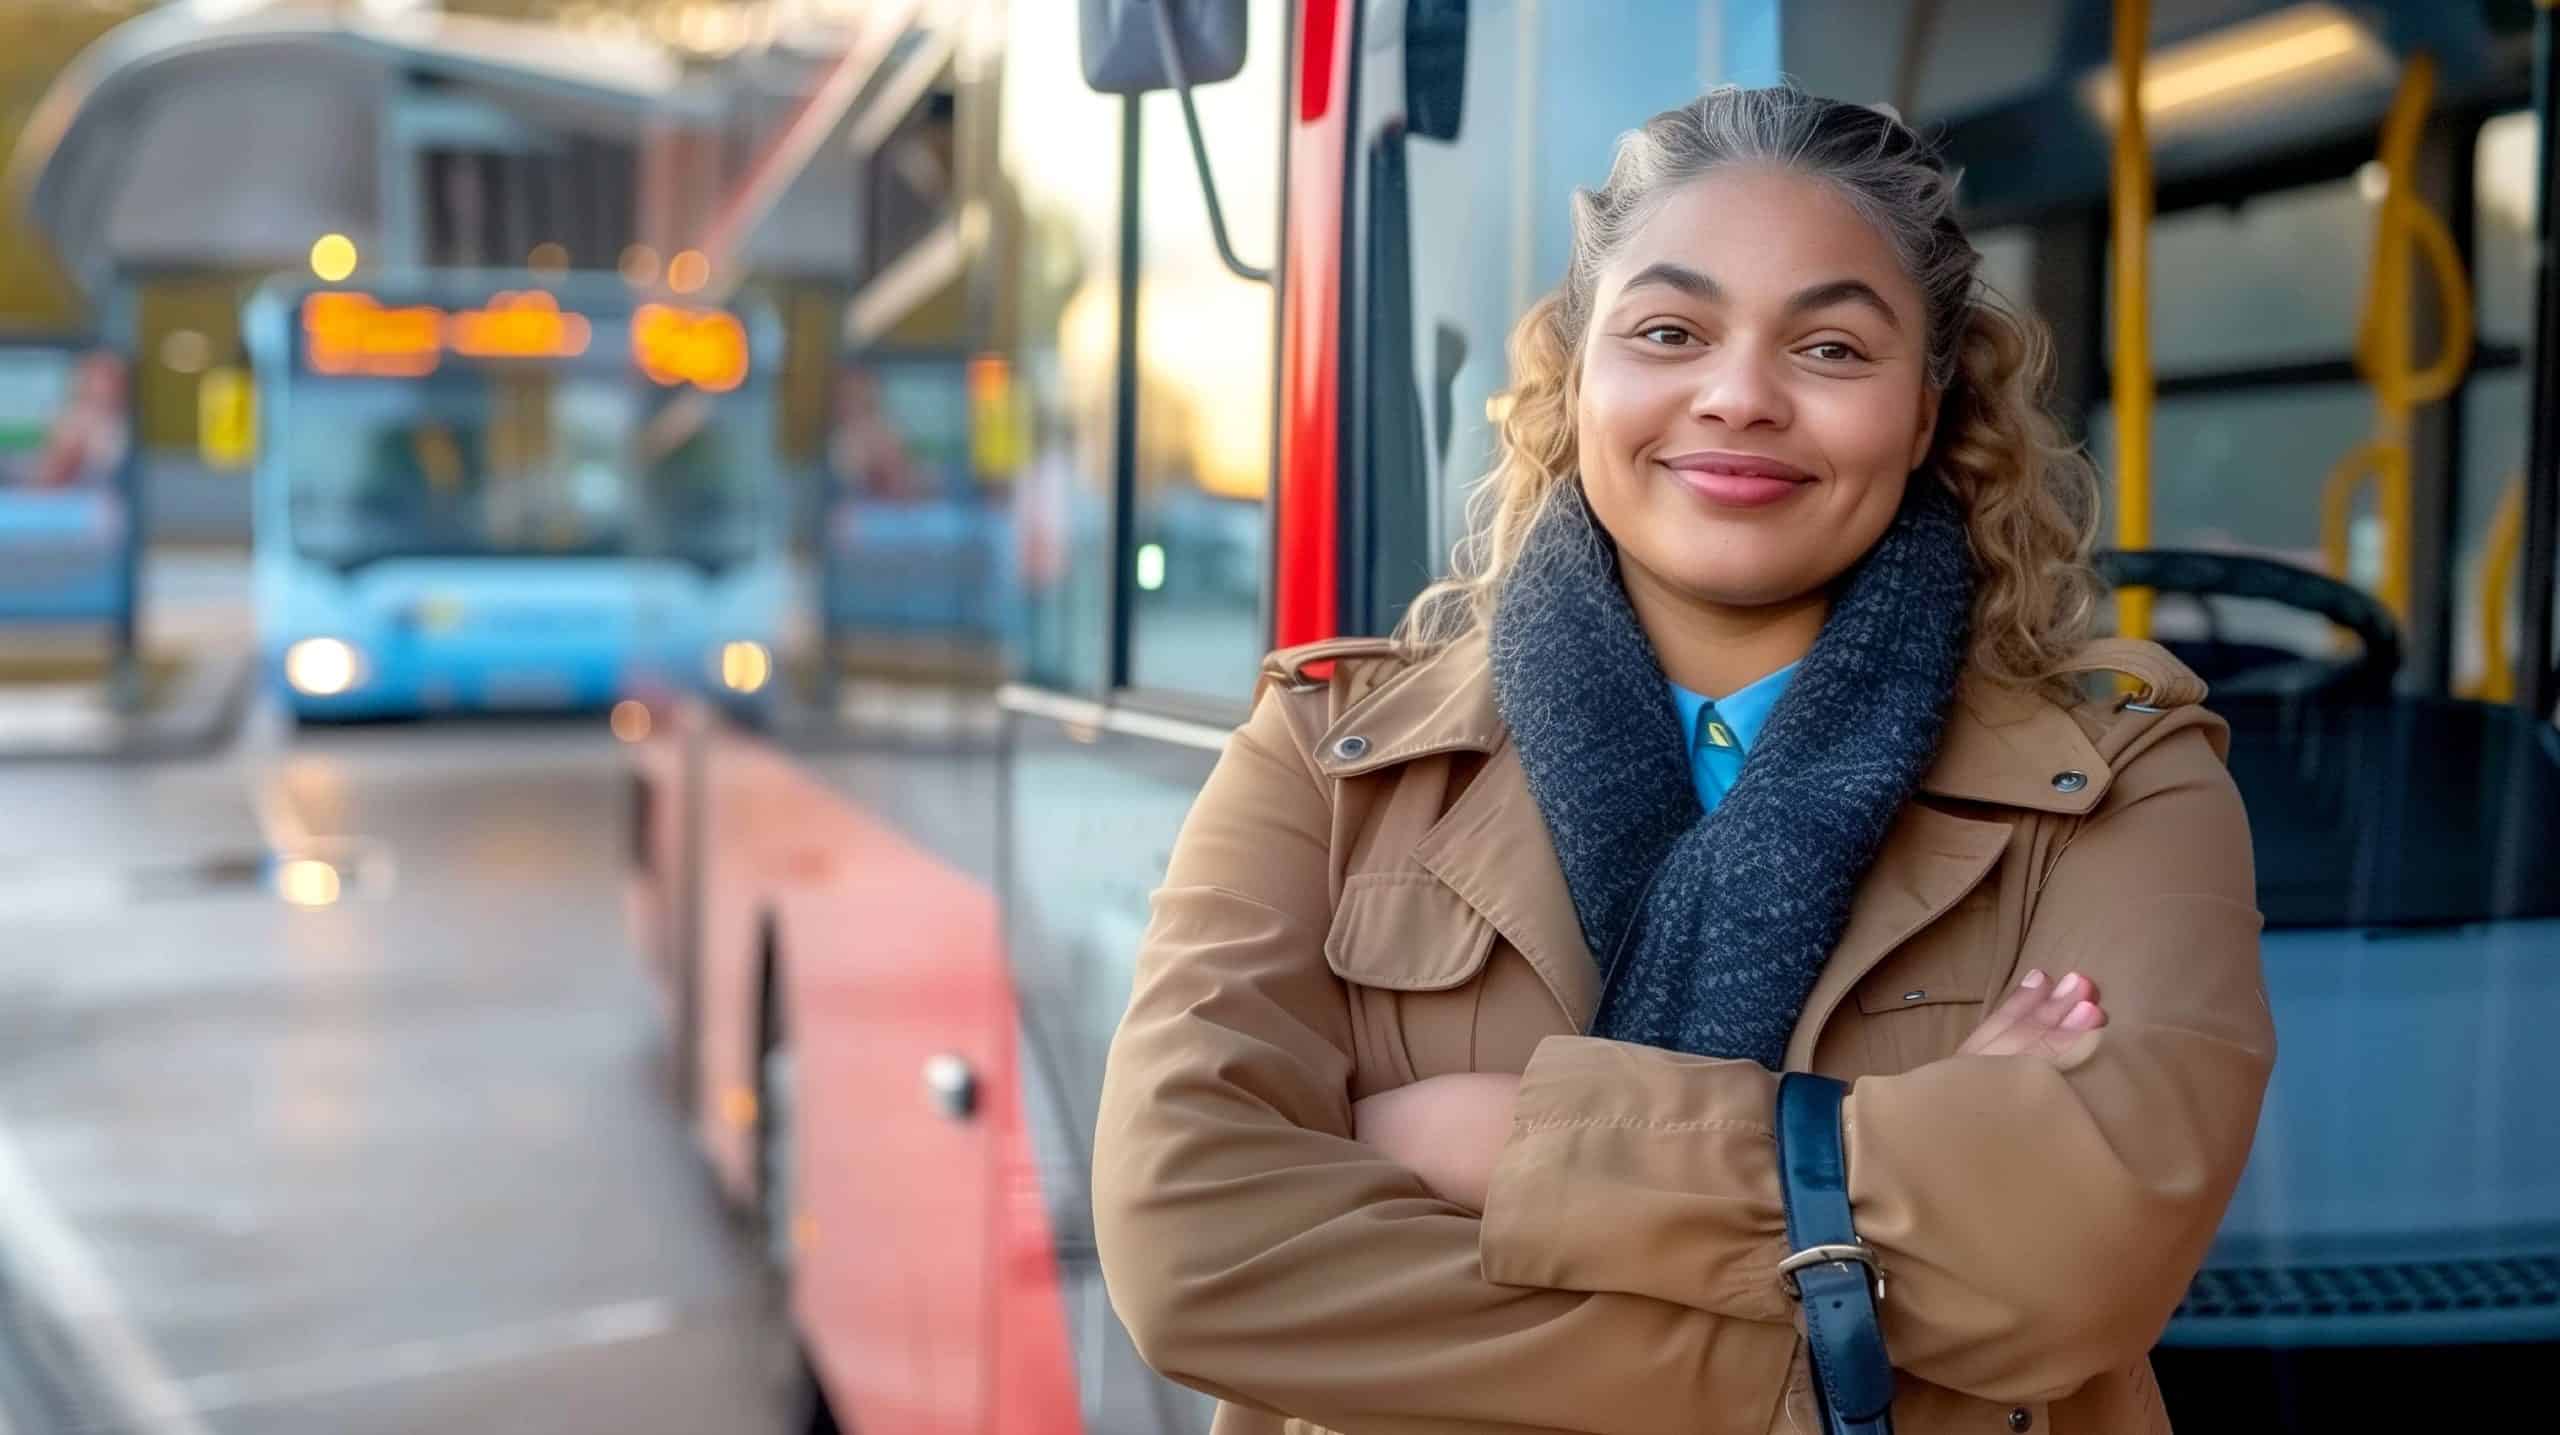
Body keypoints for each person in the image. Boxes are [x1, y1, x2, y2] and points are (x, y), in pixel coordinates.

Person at [1093, 84, 2272, 1435]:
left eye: (1830, 348)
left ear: (1930, 407)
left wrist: (1506, 1142)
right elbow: (1196, 1254)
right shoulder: (1330, 761)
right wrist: (1858, 1327)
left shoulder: (2118, 781)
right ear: (1576, 372)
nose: (1740, 397)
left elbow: (2073, 1270)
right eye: (1670, 332)